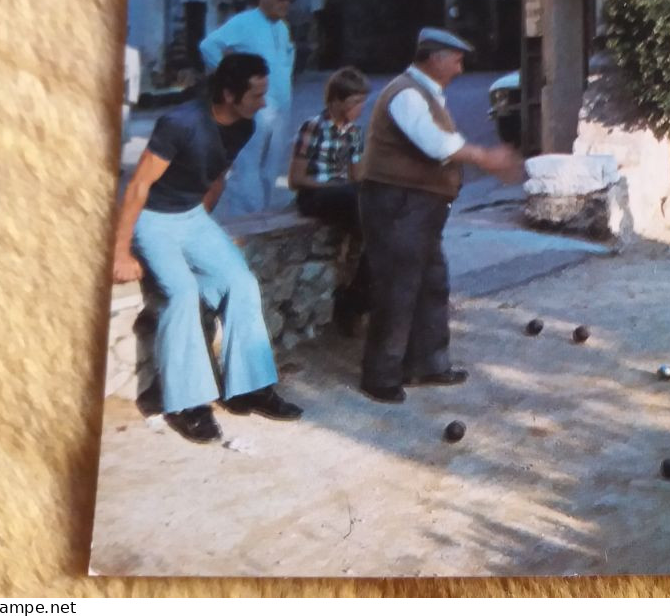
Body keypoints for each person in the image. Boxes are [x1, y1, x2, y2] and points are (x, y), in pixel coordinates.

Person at [110, 53, 303, 444]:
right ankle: (185, 403)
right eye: (257, 94)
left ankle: (249, 388)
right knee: (181, 294)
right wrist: (120, 252)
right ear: (229, 94)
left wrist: (204, 236)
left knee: (241, 282)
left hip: (192, 217)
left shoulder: (244, 125)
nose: (264, 103)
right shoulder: (180, 123)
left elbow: (214, 179)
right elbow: (138, 187)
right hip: (152, 219)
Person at [356, 28, 524, 404]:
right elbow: (435, 144)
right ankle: (380, 376)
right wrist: (485, 157)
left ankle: (428, 363)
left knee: (432, 282)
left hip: (419, 208)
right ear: (435, 58)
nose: (461, 69)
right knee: (398, 287)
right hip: (397, 205)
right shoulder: (405, 95)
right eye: (457, 60)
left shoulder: (425, 93)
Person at [199, 0, 296, 218]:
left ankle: (261, 216)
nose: (286, 4)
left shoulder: (282, 28)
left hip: (281, 108)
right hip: (254, 107)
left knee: (271, 168)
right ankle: (245, 220)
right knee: (248, 165)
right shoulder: (244, 22)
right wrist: (232, 79)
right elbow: (208, 46)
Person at [288, 66, 372, 337]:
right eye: (354, 103)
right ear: (336, 101)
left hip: (345, 195)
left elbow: (357, 176)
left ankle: (355, 300)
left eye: (362, 103)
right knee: (356, 200)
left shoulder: (354, 132)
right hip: (315, 194)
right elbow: (296, 178)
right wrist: (336, 186)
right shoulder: (314, 126)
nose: (359, 108)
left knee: (380, 224)